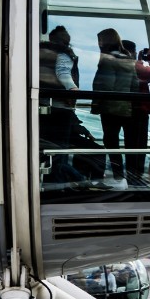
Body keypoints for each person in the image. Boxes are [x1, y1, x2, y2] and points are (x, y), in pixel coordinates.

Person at [38, 25, 86, 185]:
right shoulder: (64, 54)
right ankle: (66, 183)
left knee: (48, 149)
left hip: (43, 106)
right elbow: (63, 72)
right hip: (61, 108)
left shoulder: (39, 52)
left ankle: (53, 180)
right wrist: (73, 89)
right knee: (60, 150)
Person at [91, 28, 140, 185]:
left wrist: (96, 103)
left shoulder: (107, 59)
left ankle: (118, 173)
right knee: (130, 143)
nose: (98, 44)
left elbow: (104, 85)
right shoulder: (129, 59)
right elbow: (135, 86)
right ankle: (133, 177)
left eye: (100, 40)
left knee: (111, 141)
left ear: (106, 41)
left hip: (110, 108)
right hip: (126, 108)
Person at [123, 40, 150, 185]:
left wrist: (139, 59)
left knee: (131, 145)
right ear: (130, 51)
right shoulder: (132, 64)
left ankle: (133, 178)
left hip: (127, 109)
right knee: (138, 145)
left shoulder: (122, 63)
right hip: (138, 109)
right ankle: (135, 180)